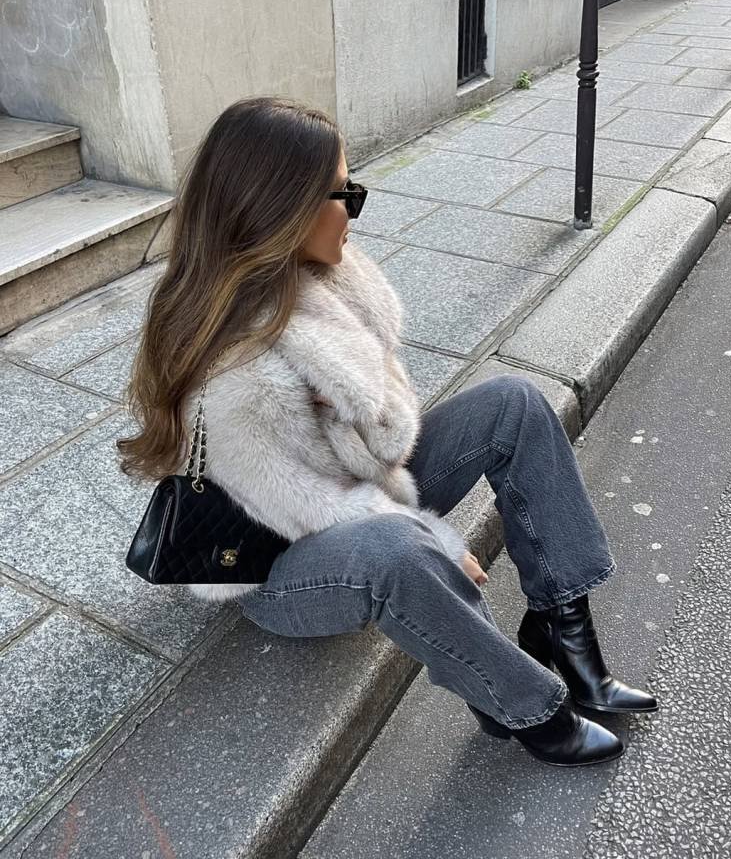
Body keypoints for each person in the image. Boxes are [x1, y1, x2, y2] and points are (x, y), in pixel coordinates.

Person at [118, 96, 657, 768]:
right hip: (275, 563)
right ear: (280, 207)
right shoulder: (233, 365)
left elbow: (392, 428)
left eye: (352, 185)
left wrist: (343, 391)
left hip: (351, 485)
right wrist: (433, 533)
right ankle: (520, 705)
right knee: (403, 550)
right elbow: (309, 510)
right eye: (340, 192)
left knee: (514, 404)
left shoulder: (323, 278)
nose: (356, 202)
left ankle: (566, 635)